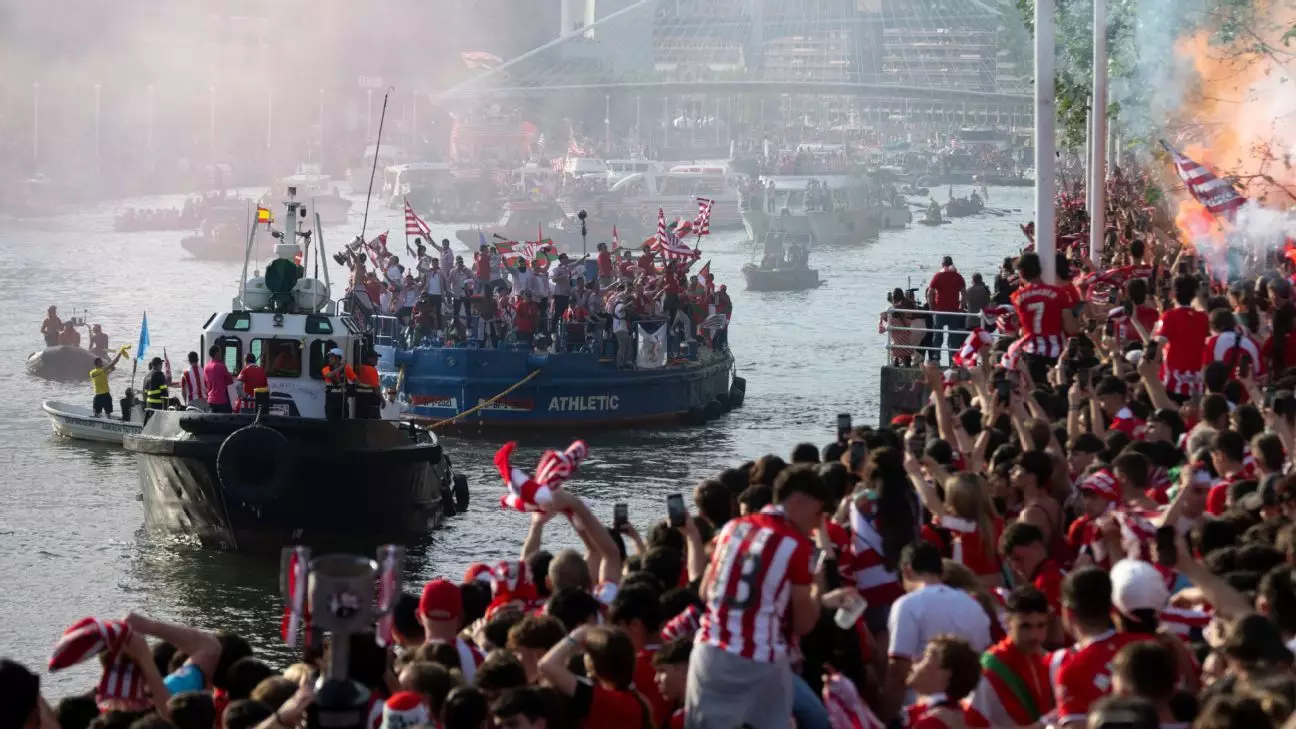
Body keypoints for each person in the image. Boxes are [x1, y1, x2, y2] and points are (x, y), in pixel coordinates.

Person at [685, 465, 828, 729]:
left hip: (709, 653)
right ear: (800, 501)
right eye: (819, 514)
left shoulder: (730, 529)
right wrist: (818, 585)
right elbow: (804, 624)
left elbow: (706, 592)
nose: (819, 523)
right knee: (817, 720)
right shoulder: (796, 546)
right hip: (761, 663)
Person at [926, 255, 967, 364]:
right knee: (953, 338)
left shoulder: (937, 276)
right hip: (954, 312)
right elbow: (964, 294)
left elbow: (930, 293)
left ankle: (936, 359)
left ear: (942, 265)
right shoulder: (958, 277)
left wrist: (932, 307)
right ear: (952, 264)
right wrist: (961, 307)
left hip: (939, 312)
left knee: (937, 337)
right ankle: (952, 361)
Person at [89, 346, 127, 417]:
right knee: (96, 413)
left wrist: (112, 369)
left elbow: (110, 368)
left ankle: (108, 421)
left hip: (106, 395)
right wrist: (120, 353)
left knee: (108, 413)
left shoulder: (103, 372)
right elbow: (111, 364)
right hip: (98, 396)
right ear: (97, 364)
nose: (102, 363)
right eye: (101, 362)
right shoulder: (93, 372)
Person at [321, 348, 355, 420]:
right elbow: (329, 375)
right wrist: (341, 367)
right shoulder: (326, 369)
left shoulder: (347, 369)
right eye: (329, 357)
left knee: (344, 420)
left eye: (331, 357)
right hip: (331, 399)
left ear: (337, 358)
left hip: (342, 399)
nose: (329, 359)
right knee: (330, 420)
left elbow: (355, 380)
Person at [204, 345, 235, 414]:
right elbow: (230, 381)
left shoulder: (206, 366)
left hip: (210, 400)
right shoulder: (220, 366)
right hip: (221, 400)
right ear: (217, 353)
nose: (221, 354)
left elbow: (206, 382)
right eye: (220, 352)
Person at [355, 350, 383, 419]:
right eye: (375, 358)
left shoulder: (360, 368)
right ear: (369, 358)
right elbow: (375, 389)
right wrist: (383, 400)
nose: (377, 359)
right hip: (371, 402)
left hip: (360, 402)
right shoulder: (372, 370)